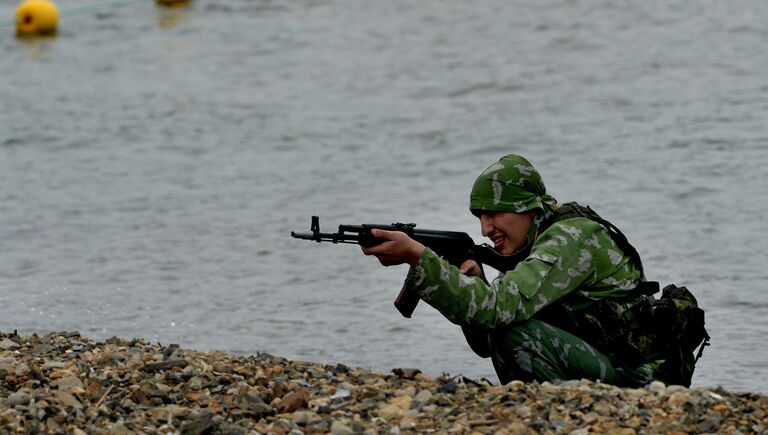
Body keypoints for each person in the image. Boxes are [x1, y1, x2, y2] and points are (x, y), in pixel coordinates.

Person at [362, 154, 706, 387]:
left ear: (526, 208)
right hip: (607, 363)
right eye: (480, 217)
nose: (485, 229)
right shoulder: (533, 244)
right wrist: (473, 281)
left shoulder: (571, 238)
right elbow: (486, 341)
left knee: (514, 332)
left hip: (639, 377)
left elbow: (497, 313)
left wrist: (420, 259)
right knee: (508, 329)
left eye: (494, 213)